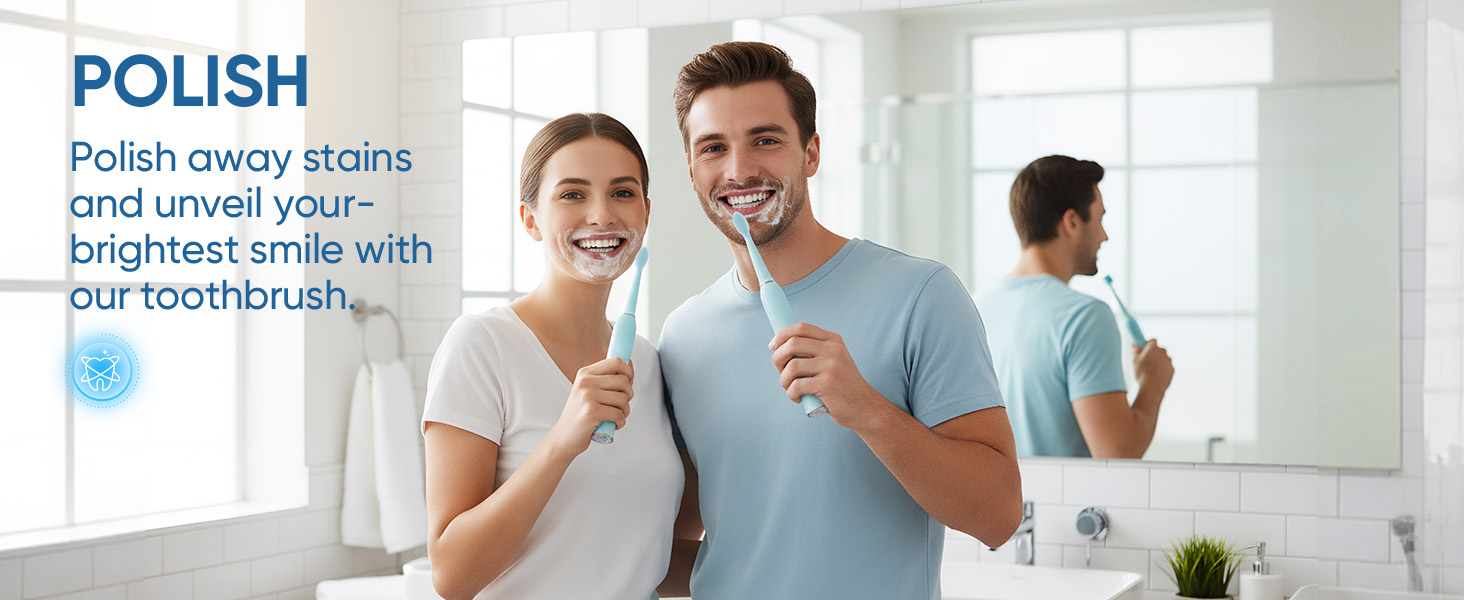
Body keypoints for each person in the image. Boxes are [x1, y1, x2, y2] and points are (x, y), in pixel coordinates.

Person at [657, 41, 1023, 600]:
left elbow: (997, 516)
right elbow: (692, 532)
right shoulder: (683, 335)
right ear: (691, 171)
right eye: (713, 148)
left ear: (811, 153)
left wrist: (867, 410)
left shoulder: (921, 296)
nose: (739, 170)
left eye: (766, 139)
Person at [420, 113, 682, 600]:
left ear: (645, 213)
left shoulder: (651, 364)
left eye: (622, 193)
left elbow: (646, 555)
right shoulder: (481, 345)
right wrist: (562, 441)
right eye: (572, 194)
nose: (602, 214)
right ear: (531, 219)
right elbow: (452, 577)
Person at [976, 155, 1175, 459]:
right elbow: (1117, 454)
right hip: (1062, 506)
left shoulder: (974, 308)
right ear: (1071, 222)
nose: (1104, 235)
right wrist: (1153, 383)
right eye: (1100, 219)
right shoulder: (1085, 317)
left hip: (996, 504)